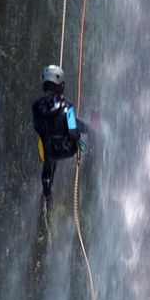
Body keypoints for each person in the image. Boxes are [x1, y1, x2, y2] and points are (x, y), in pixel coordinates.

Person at [32, 64, 88, 200]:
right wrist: (78, 136)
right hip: (67, 150)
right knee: (79, 130)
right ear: (60, 86)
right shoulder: (67, 108)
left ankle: (47, 191)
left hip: (49, 150)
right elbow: (73, 132)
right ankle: (91, 129)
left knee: (49, 159)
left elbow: (37, 126)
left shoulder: (36, 106)